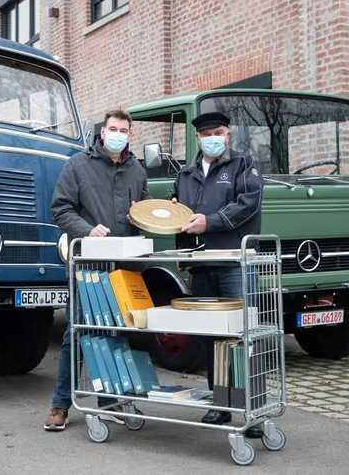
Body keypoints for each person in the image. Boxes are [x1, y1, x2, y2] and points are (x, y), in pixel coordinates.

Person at [43, 109, 149, 432]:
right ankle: (61, 405)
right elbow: (60, 208)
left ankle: (110, 401)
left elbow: (143, 210)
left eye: (124, 130)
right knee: (76, 333)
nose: (118, 134)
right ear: (102, 133)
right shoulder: (78, 166)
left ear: (130, 135)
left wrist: (149, 218)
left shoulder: (137, 171)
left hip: (123, 267)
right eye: (113, 129)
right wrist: (87, 230)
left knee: (117, 332)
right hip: (87, 265)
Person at [171, 111, 264, 437]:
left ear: (228, 134)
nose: (214, 137)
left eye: (219, 132)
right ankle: (221, 405)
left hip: (235, 264)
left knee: (244, 337)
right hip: (202, 267)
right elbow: (178, 216)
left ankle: (255, 410)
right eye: (207, 133)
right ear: (197, 138)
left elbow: (248, 204)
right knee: (213, 341)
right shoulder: (185, 174)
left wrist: (210, 222)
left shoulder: (243, 165)